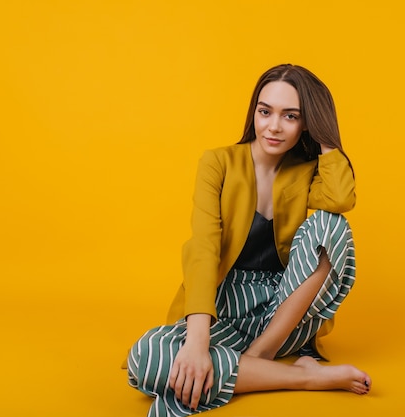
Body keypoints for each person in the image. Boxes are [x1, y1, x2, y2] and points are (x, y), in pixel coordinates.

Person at [126, 64, 371, 416]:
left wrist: (326, 138)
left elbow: (340, 200)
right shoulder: (219, 163)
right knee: (146, 355)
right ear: (253, 111)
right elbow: (204, 248)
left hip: (284, 313)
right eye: (265, 111)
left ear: (307, 123)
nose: (273, 126)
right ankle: (302, 375)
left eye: (291, 116)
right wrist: (196, 342)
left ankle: (259, 359)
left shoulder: (307, 170)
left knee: (332, 226)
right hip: (224, 308)